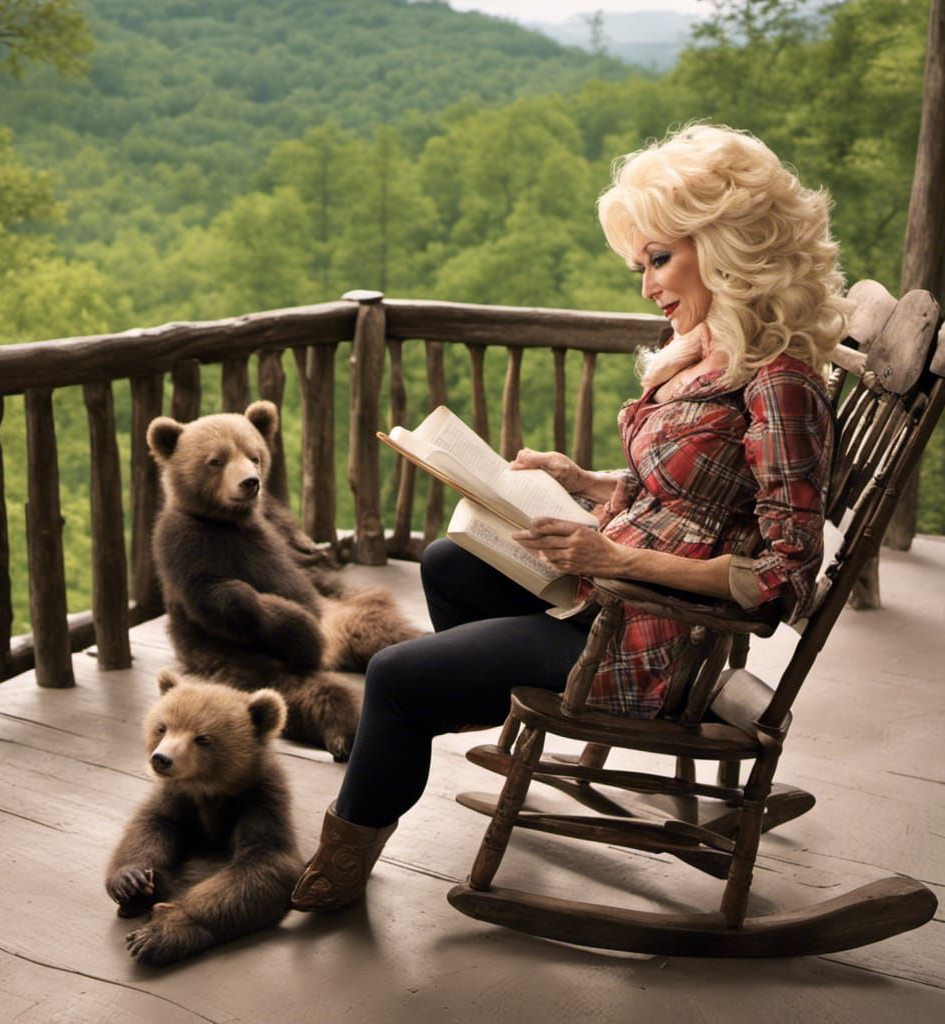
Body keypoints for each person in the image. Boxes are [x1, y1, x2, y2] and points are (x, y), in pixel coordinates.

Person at [291, 124, 851, 913]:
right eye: (641, 265)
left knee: (392, 676)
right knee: (451, 562)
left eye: (661, 258)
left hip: (654, 638)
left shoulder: (778, 382)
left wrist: (614, 560)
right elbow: (694, 493)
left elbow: (783, 577)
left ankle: (344, 856)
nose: (649, 284)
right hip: (605, 598)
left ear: (726, 244)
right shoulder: (711, 350)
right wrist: (583, 480)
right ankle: (459, 698)